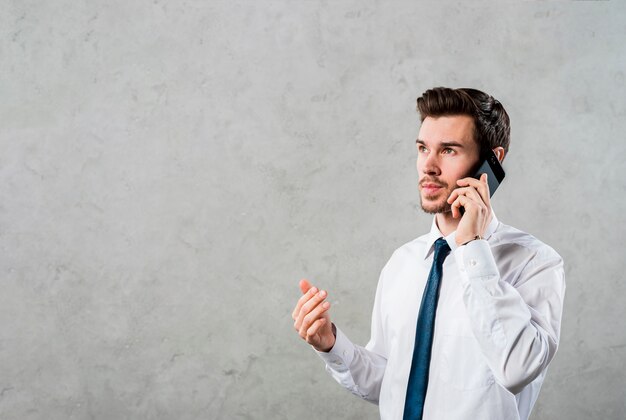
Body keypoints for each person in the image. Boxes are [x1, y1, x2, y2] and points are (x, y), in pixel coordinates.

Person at [291, 87, 566, 420]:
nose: (429, 166)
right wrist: (331, 345)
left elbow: (517, 368)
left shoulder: (536, 263)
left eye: (448, 150)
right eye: (423, 148)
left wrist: (472, 248)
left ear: (492, 161)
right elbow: (389, 382)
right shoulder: (402, 263)